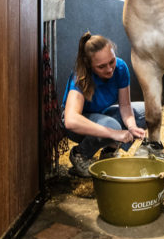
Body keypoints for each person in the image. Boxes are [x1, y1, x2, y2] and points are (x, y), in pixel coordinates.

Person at [62, 32, 147, 177]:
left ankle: (109, 152)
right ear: (89, 65)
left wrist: (132, 127)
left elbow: (125, 106)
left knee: (146, 111)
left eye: (111, 61)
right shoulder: (81, 76)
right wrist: (115, 133)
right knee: (112, 125)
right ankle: (80, 154)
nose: (109, 69)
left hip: (101, 116)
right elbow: (71, 120)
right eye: (101, 67)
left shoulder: (120, 68)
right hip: (78, 127)